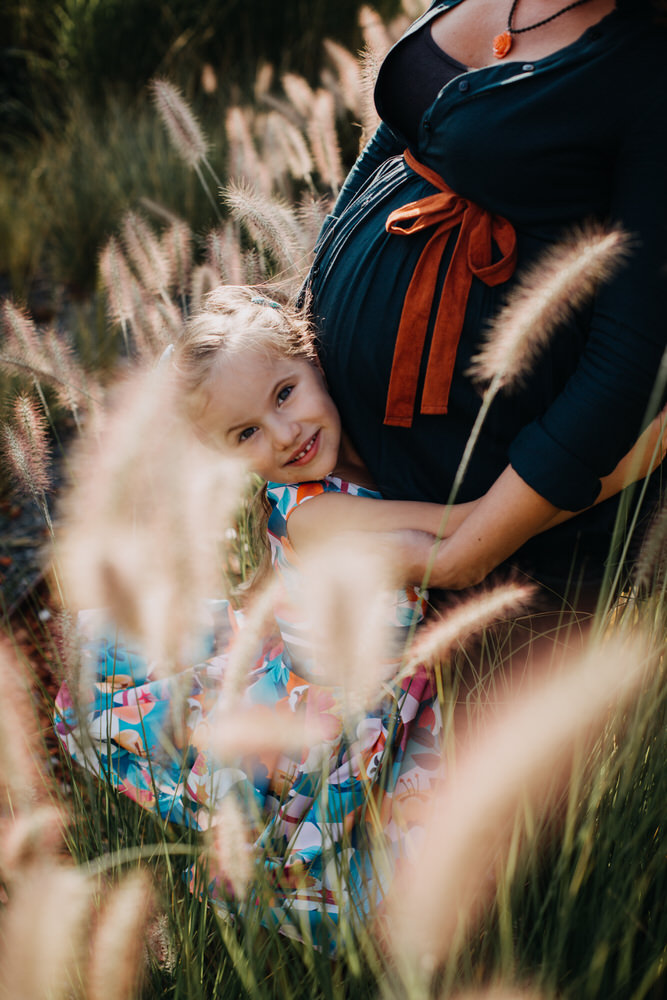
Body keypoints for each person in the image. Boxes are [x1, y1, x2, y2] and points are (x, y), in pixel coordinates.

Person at [54, 285, 664, 949]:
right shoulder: (319, 515)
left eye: (283, 393)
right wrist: (628, 463)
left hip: (379, 675)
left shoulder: (359, 454)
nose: (284, 434)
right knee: (409, 881)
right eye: (246, 433)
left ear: (315, 361)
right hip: (332, 715)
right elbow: (467, 537)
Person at [305, 0, 667, 616]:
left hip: (489, 520)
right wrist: (309, 324)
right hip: (357, 465)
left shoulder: (648, 64)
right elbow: (399, 130)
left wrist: (468, 552)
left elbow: (627, 362)